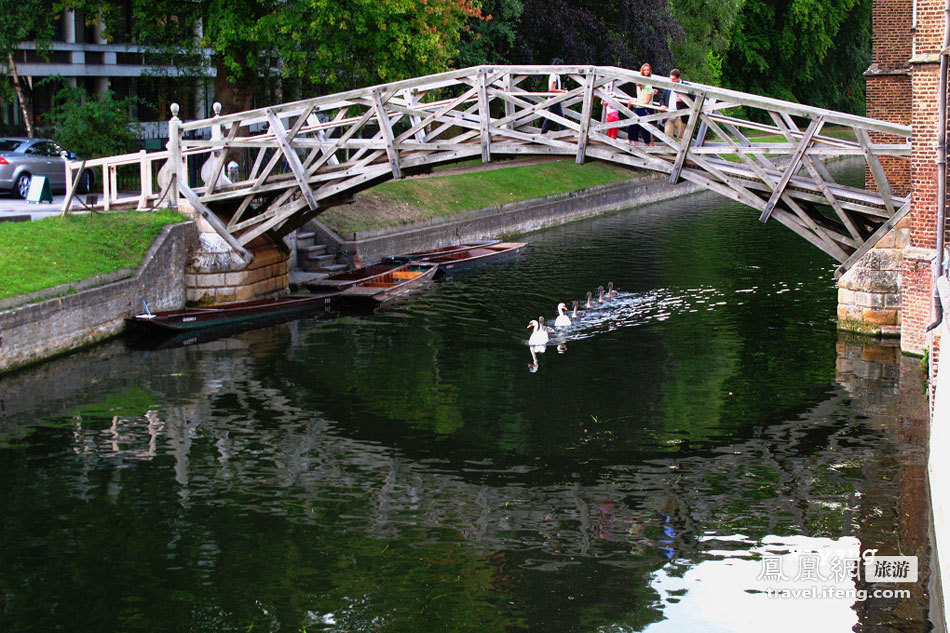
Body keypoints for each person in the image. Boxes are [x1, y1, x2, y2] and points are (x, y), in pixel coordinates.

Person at [627, 63, 656, 145]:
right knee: (633, 124)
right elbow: (639, 95)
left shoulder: (648, 84)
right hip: (639, 104)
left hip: (646, 106)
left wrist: (652, 92)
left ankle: (648, 144)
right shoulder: (640, 85)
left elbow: (647, 98)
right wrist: (634, 101)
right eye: (645, 70)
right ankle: (633, 142)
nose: (646, 71)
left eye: (648, 70)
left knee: (646, 127)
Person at [661, 69, 689, 141]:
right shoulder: (668, 86)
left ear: (679, 78)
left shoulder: (687, 86)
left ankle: (680, 152)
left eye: (673, 79)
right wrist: (662, 105)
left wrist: (683, 100)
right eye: (671, 79)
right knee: (668, 136)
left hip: (681, 115)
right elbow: (662, 99)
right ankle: (670, 152)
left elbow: (693, 100)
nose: (672, 81)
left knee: (681, 138)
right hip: (669, 113)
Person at [540, 58, 566, 134]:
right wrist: (562, 91)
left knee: (556, 117)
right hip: (553, 99)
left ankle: (562, 133)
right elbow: (551, 89)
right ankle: (543, 133)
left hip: (556, 99)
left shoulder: (557, 75)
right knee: (552, 117)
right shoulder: (553, 75)